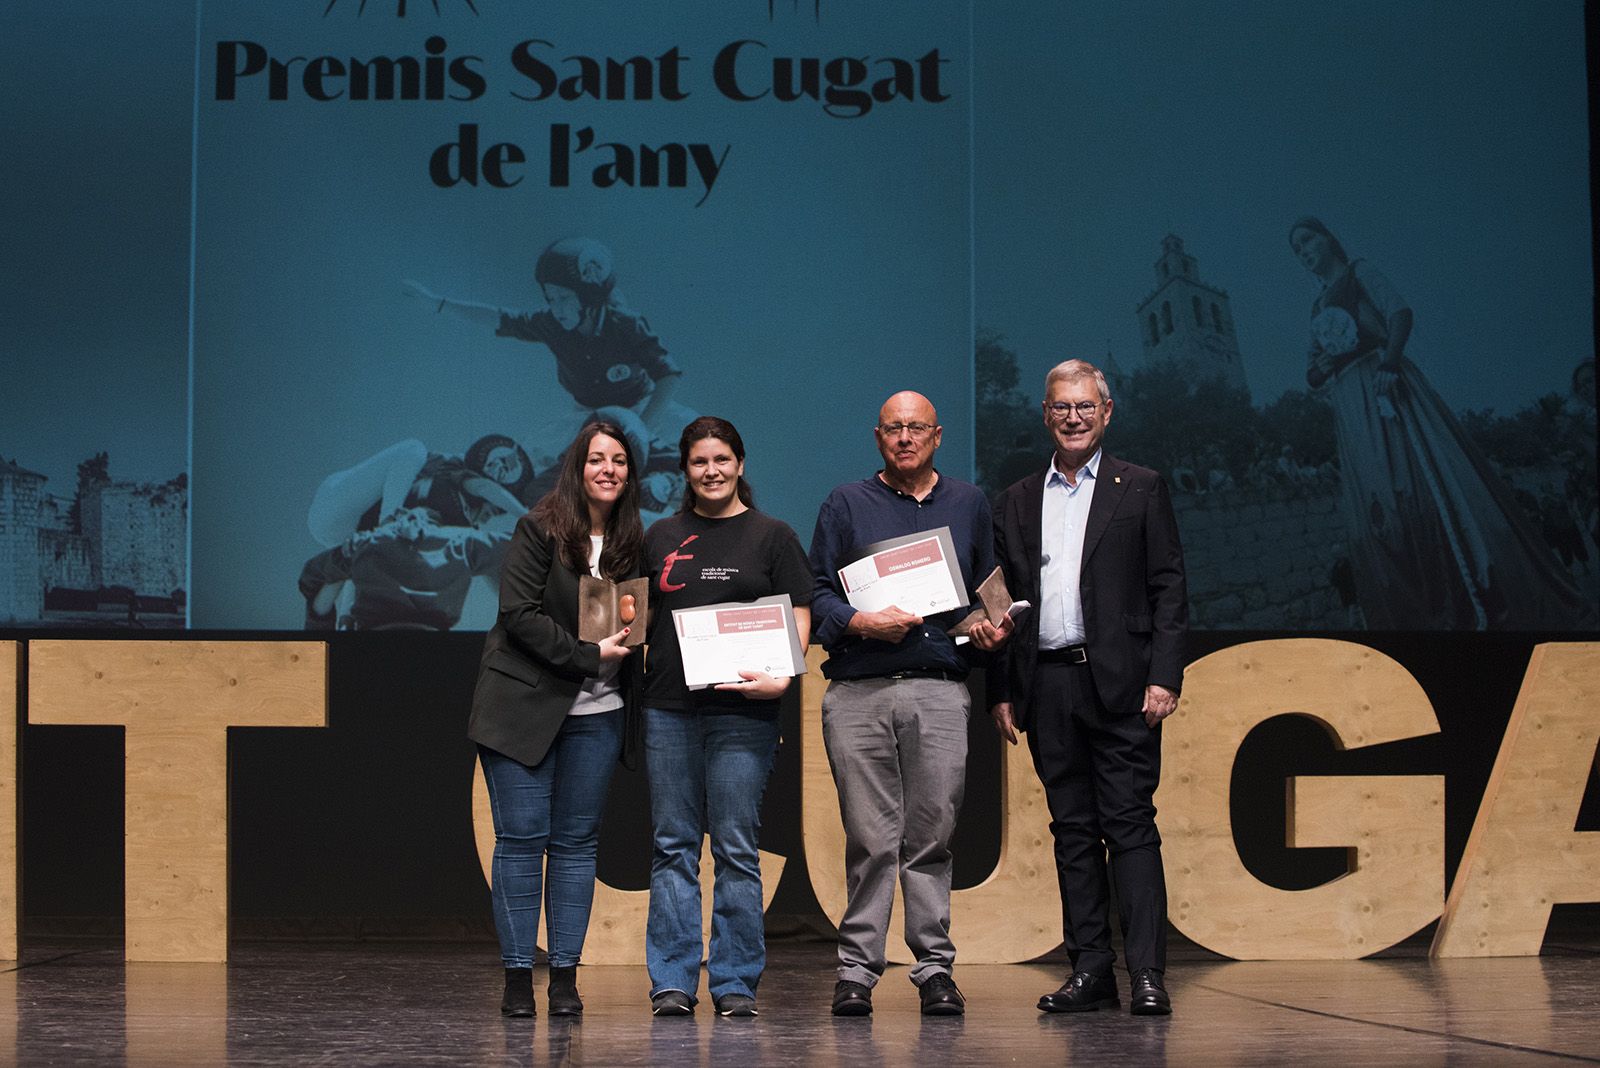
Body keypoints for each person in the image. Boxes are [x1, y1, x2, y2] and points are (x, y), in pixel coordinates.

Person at [989, 359, 1187, 1016]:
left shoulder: (1142, 487)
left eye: (1084, 406)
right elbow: (1002, 602)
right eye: (1061, 407)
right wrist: (1002, 689)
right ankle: (1091, 971)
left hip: (1126, 687)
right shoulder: (1016, 499)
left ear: (1106, 412)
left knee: (1130, 826)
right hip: (1046, 685)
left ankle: (1148, 974)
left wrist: (1164, 676)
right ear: (1045, 414)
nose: (1073, 418)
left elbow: (1169, 587)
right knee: (1072, 832)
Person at [807, 391, 1011, 1018]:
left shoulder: (968, 503)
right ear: (878, 438)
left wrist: (989, 628)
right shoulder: (846, 503)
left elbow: (987, 593)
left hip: (938, 689)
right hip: (858, 690)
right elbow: (816, 594)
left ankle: (934, 970)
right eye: (893, 428)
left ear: (937, 436)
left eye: (916, 427)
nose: (904, 437)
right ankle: (856, 973)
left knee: (932, 836)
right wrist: (860, 620)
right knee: (871, 839)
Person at [1289, 216, 1589, 628]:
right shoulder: (1317, 307)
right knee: (1383, 509)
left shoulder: (1359, 272)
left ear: (1328, 239)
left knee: (1422, 484)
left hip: (1383, 383)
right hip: (1351, 405)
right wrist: (1322, 367)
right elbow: (1311, 373)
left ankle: (1477, 591)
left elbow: (1399, 313)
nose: (1303, 251)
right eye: (1296, 250)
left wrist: (1390, 363)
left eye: (1307, 240)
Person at [465, 420, 644, 1018]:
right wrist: (587, 656)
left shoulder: (633, 543)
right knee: (520, 841)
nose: (608, 469)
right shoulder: (538, 528)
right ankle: (518, 978)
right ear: (577, 467)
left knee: (575, 846)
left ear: (630, 474)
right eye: (597, 459)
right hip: (522, 710)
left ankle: (565, 977)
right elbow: (518, 614)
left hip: (599, 714)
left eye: (619, 460)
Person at [640, 417, 814, 1019]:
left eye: (721, 459)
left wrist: (784, 676)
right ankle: (672, 980)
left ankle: (735, 981)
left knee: (737, 848)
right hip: (669, 708)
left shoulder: (773, 536)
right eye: (699, 461)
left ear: (740, 464)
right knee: (673, 846)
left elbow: (799, 612)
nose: (711, 471)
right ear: (684, 470)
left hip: (744, 714)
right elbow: (637, 615)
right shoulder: (660, 535)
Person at [403, 237, 688, 438]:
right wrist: (439, 303)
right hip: (587, 415)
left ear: (589, 296)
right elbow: (499, 317)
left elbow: (668, 375)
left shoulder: (625, 323)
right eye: (550, 299)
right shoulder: (550, 324)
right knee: (539, 462)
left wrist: (642, 429)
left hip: (640, 406)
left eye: (564, 298)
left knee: (701, 438)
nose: (556, 308)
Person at [297, 506, 509, 631]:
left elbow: (312, 578)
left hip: (372, 642)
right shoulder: (461, 540)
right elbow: (518, 547)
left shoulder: (366, 541)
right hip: (435, 646)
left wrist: (342, 563)